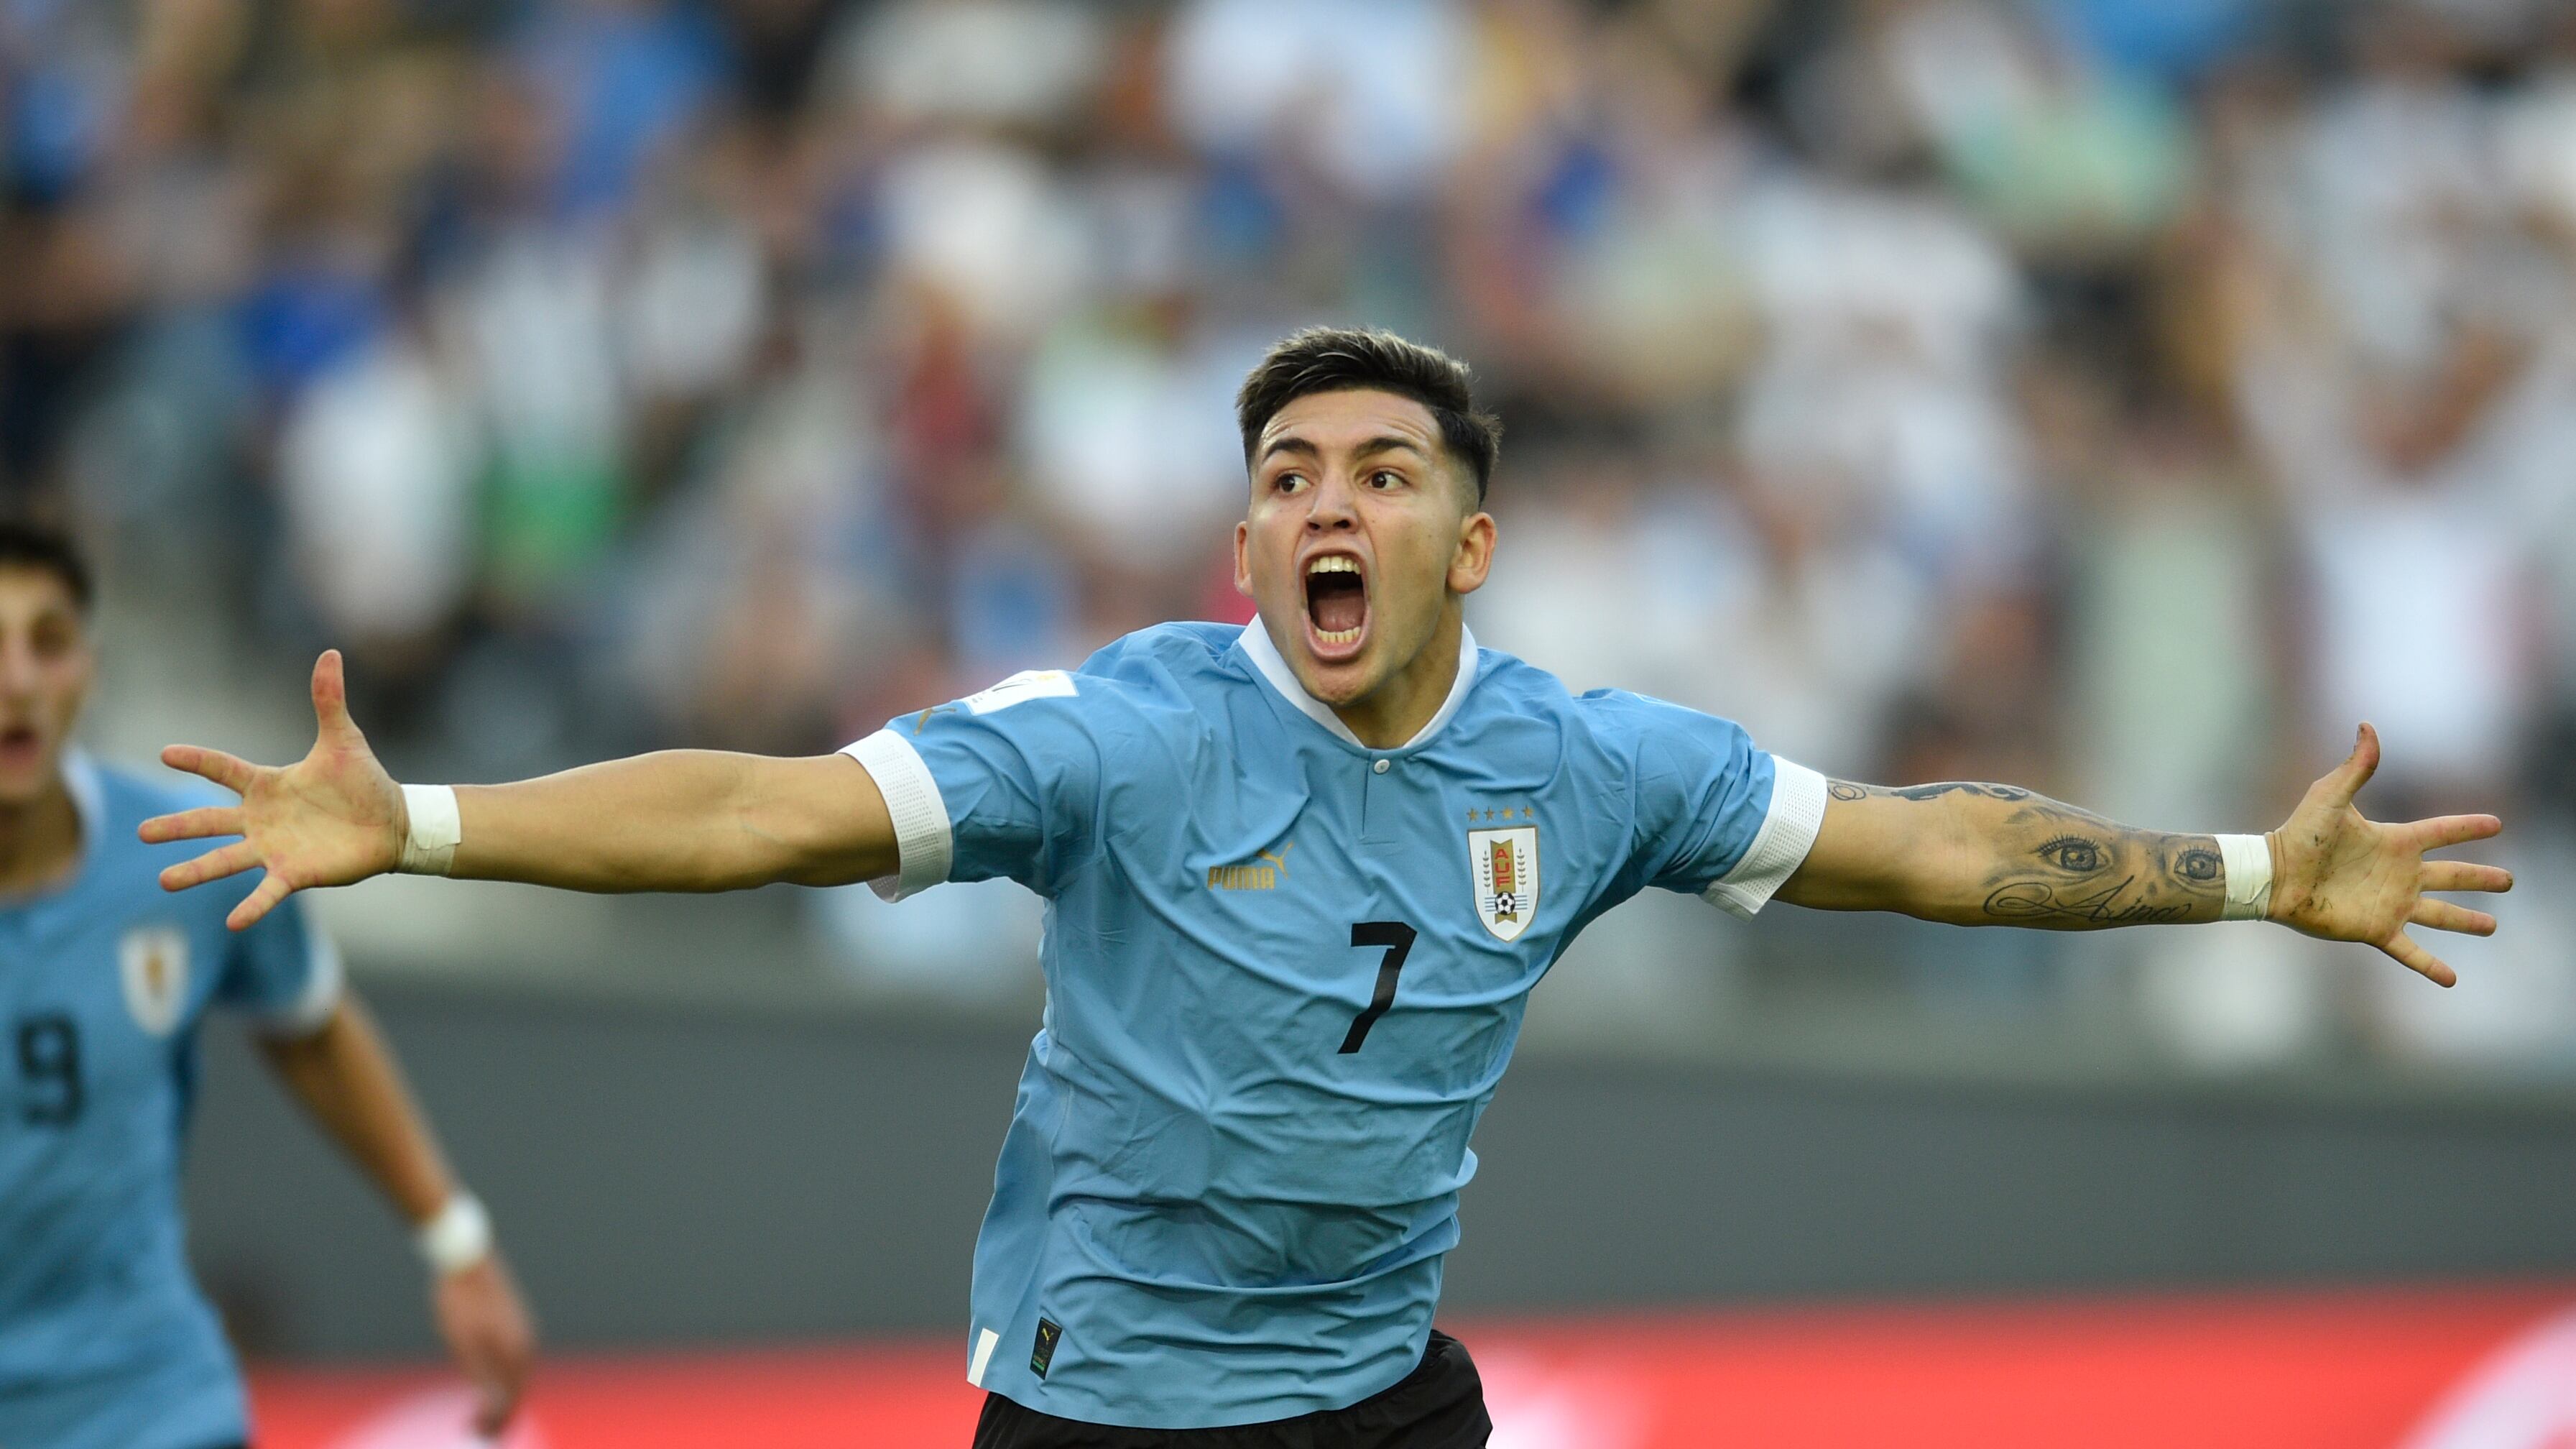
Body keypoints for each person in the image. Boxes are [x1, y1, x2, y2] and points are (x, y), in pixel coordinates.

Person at [144, 329, 2508, 1448]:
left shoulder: (1587, 764)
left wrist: (2243, 873)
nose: (1324, 505)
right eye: (1285, 473)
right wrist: (419, 822)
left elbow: (1932, 843)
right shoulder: (1124, 733)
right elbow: (759, 812)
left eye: (1378, 469)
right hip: (1096, 1413)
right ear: (1246, 538)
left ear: (1467, 541)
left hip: (1374, 1403)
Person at [0, 518, 534, 1449]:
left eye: (47, 643)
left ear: (89, 668)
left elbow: (311, 1029)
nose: (16, 682)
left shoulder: (187, 859)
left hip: (144, 1402)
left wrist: (457, 1243)